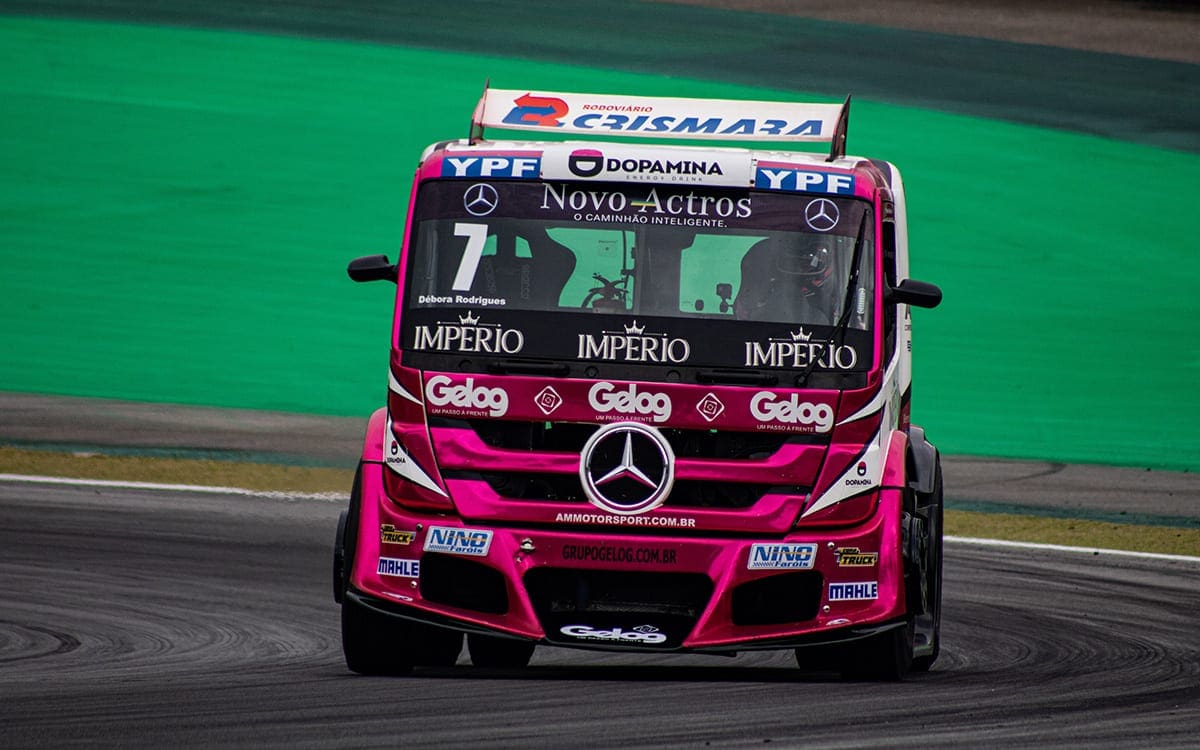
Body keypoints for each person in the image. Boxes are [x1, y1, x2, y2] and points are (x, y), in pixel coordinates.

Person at [734, 234, 839, 324]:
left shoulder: (836, 292)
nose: (799, 269)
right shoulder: (760, 259)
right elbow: (744, 303)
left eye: (805, 264)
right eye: (791, 263)